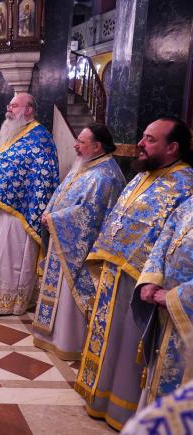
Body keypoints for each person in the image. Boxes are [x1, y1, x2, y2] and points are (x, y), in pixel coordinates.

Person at [74, 117, 193, 430]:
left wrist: (151, 278)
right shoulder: (144, 175)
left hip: (141, 283)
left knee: (128, 348)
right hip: (117, 273)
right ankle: (99, 398)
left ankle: (122, 408)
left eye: (150, 139)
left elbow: (169, 236)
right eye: (142, 136)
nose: (141, 143)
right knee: (109, 342)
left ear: (173, 147)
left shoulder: (184, 183)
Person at [32, 124, 125, 360]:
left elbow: (90, 214)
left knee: (68, 297)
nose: (75, 145)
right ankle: (50, 336)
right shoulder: (86, 165)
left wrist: (54, 218)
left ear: (96, 146)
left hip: (78, 248)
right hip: (61, 239)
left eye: (81, 142)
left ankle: (68, 341)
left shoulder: (105, 176)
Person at [0, 93, 59, 315]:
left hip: (17, 212)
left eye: (14, 105)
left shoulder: (40, 137)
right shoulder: (11, 133)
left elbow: (45, 178)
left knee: (8, 256)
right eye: (9, 104)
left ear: (28, 110)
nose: (9, 109)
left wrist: (29, 204)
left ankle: (6, 300)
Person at [132, 196, 193, 410]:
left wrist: (176, 297)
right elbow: (163, 240)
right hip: (167, 315)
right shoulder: (189, 203)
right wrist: (151, 279)